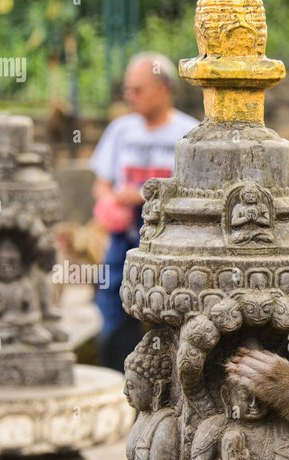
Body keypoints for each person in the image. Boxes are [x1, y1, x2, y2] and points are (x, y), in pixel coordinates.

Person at [90, 52, 198, 372]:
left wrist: (139, 196)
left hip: (170, 238)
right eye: (128, 90)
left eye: (138, 89)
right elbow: (102, 184)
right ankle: (116, 370)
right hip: (124, 235)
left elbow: (195, 194)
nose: (130, 97)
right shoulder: (121, 130)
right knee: (112, 295)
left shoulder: (189, 134)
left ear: (163, 88)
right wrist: (107, 202)